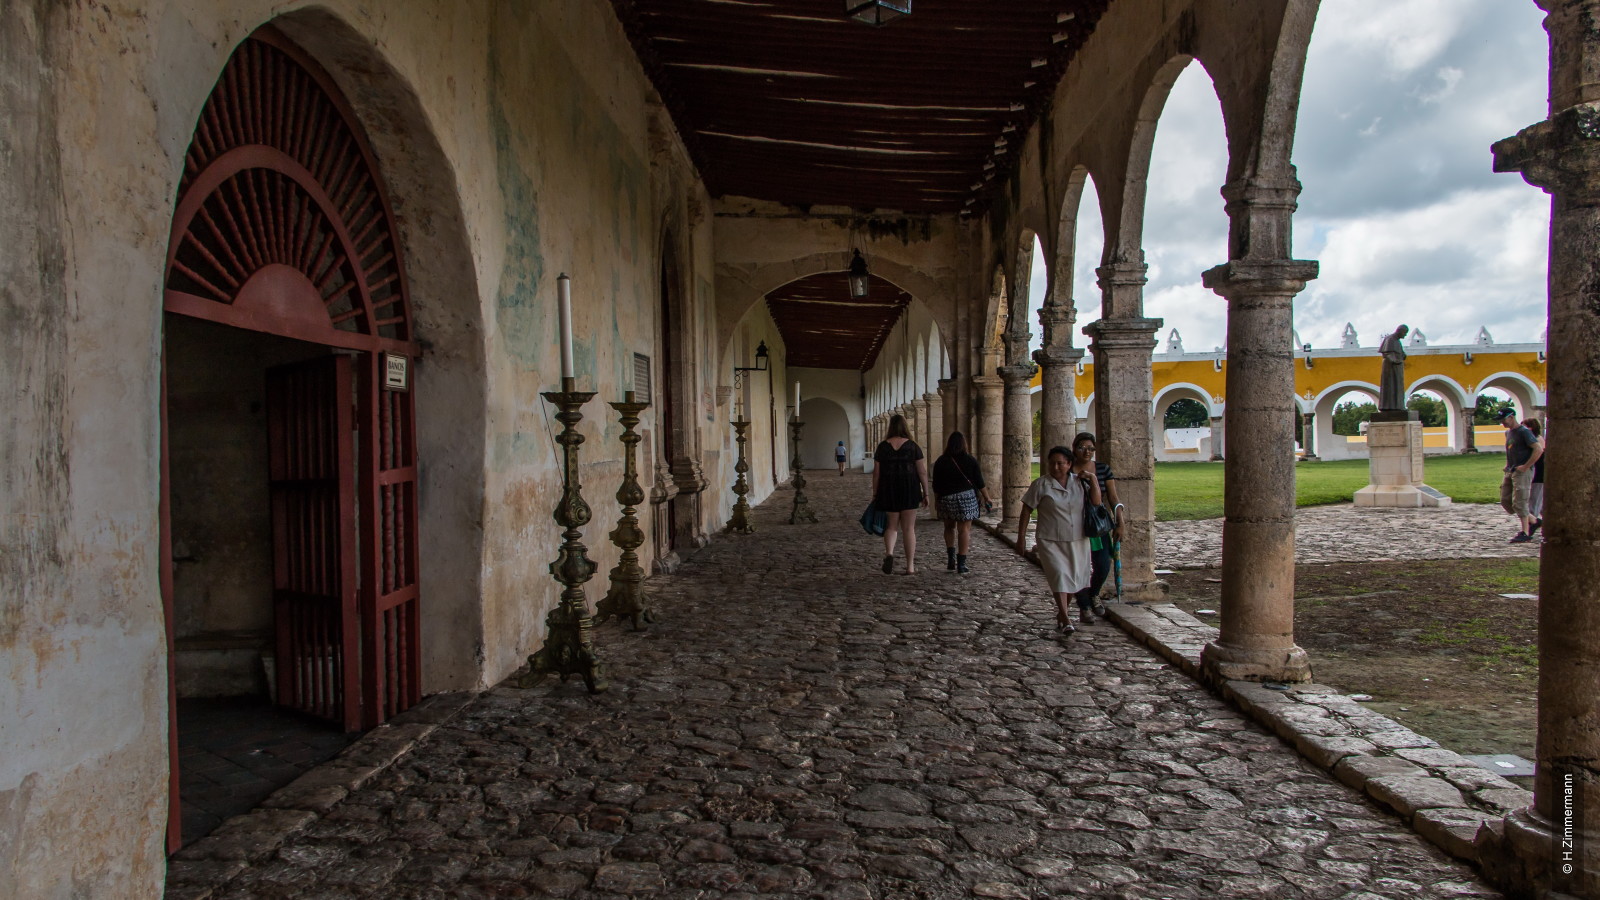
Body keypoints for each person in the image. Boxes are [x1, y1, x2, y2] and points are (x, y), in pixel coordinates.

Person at [1017, 445, 1102, 634]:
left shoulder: (1079, 483)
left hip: (1077, 539)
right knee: (1059, 576)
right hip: (1050, 539)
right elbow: (1026, 510)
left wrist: (1093, 479)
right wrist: (1021, 537)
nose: (1056, 467)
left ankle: (1062, 613)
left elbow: (1096, 502)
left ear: (1069, 464)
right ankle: (1064, 616)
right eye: (1052, 463)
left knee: (1073, 579)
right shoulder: (1041, 485)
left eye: (1060, 463)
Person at [1070, 433, 1122, 623]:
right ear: (1074, 448)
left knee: (1102, 564)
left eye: (1091, 448)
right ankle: (1084, 606)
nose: (1087, 451)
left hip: (1097, 526)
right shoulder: (1068, 469)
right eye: (1082, 447)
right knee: (1078, 567)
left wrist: (1120, 522)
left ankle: (1094, 594)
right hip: (1074, 525)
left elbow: (1113, 498)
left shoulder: (1102, 469)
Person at [872, 414, 931, 575]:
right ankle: (910, 566)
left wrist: (875, 493)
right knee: (908, 528)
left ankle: (889, 553)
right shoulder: (913, 446)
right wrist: (926, 493)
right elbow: (922, 472)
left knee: (891, 526)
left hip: (888, 489)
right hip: (909, 489)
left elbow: (876, 473)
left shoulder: (883, 447)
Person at [931, 431, 991, 574]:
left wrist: (937, 500)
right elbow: (979, 481)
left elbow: (936, 484)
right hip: (966, 498)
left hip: (947, 498)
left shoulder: (941, 461)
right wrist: (987, 497)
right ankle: (961, 563)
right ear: (964, 444)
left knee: (949, 528)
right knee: (964, 530)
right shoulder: (970, 460)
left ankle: (951, 558)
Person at [1499, 409, 1543, 543]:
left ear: (1511, 417)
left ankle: (1525, 532)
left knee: (1520, 501)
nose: (1502, 423)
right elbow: (1511, 451)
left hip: (1522, 471)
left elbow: (1538, 449)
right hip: (1511, 470)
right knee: (1505, 500)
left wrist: (1525, 466)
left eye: (1503, 420)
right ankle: (1534, 521)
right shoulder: (1508, 433)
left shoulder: (1524, 432)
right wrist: (1508, 465)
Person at [1378, 324, 1409, 411]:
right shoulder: (1390, 339)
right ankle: (1388, 407)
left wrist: (1402, 356)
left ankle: (1398, 406)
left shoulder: (1398, 341)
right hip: (1390, 367)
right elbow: (1386, 353)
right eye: (1405, 333)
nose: (1405, 335)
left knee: (1397, 386)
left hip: (1397, 367)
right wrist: (1395, 360)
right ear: (1399, 331)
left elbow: (1401, 353)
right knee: (1390, 386)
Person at [1522, 417, 1545, 535]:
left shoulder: (1537, 440)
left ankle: (1531, 525)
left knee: (1534, 502)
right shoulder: (1532, 439)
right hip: (1534, 473)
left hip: (1538, 474)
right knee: (1540, 503)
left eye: (1525, 426)